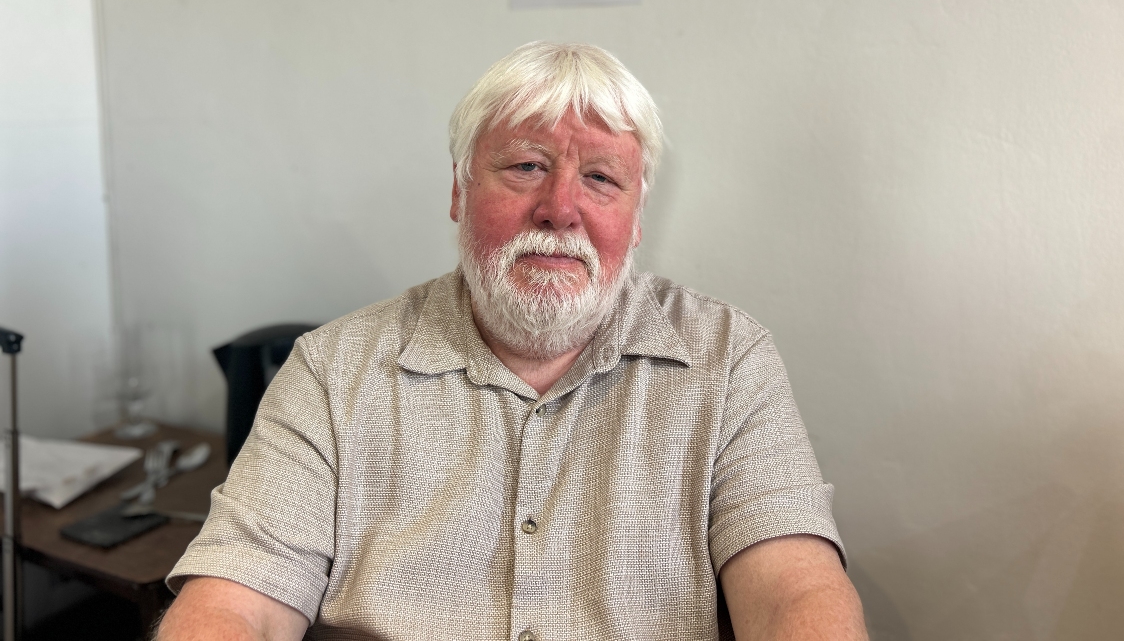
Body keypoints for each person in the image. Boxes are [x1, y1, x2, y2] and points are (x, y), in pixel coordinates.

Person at [157, 42, 868, 641]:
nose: (560, 210)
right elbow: (234, 603)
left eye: (601, 178)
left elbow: (794, 592)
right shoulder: (331, 371)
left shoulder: (727, 358)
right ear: (459, 191)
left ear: (637, 220)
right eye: (526, 166)